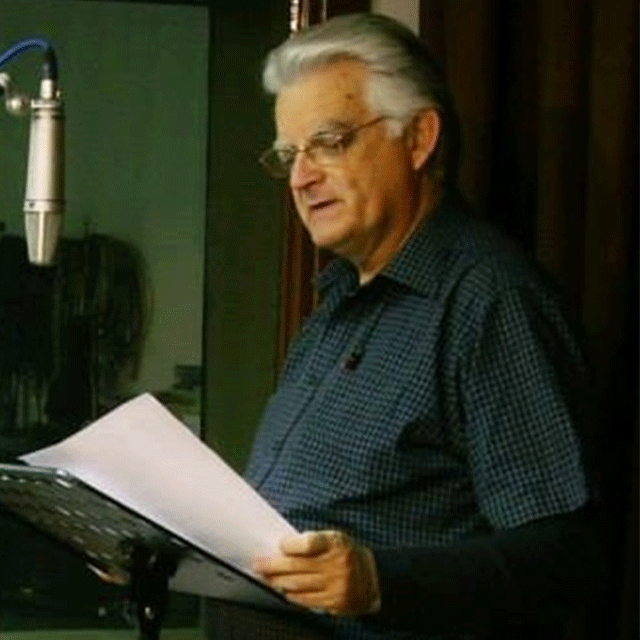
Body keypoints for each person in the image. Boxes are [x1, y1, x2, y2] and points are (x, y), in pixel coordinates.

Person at [207, 12, 603, 640]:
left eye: (329, 142)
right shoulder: (334, 305)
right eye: (289, 155)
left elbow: (562, 558)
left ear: (418, 139)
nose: (302, 178)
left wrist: (378, 582)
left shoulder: (490, 302)